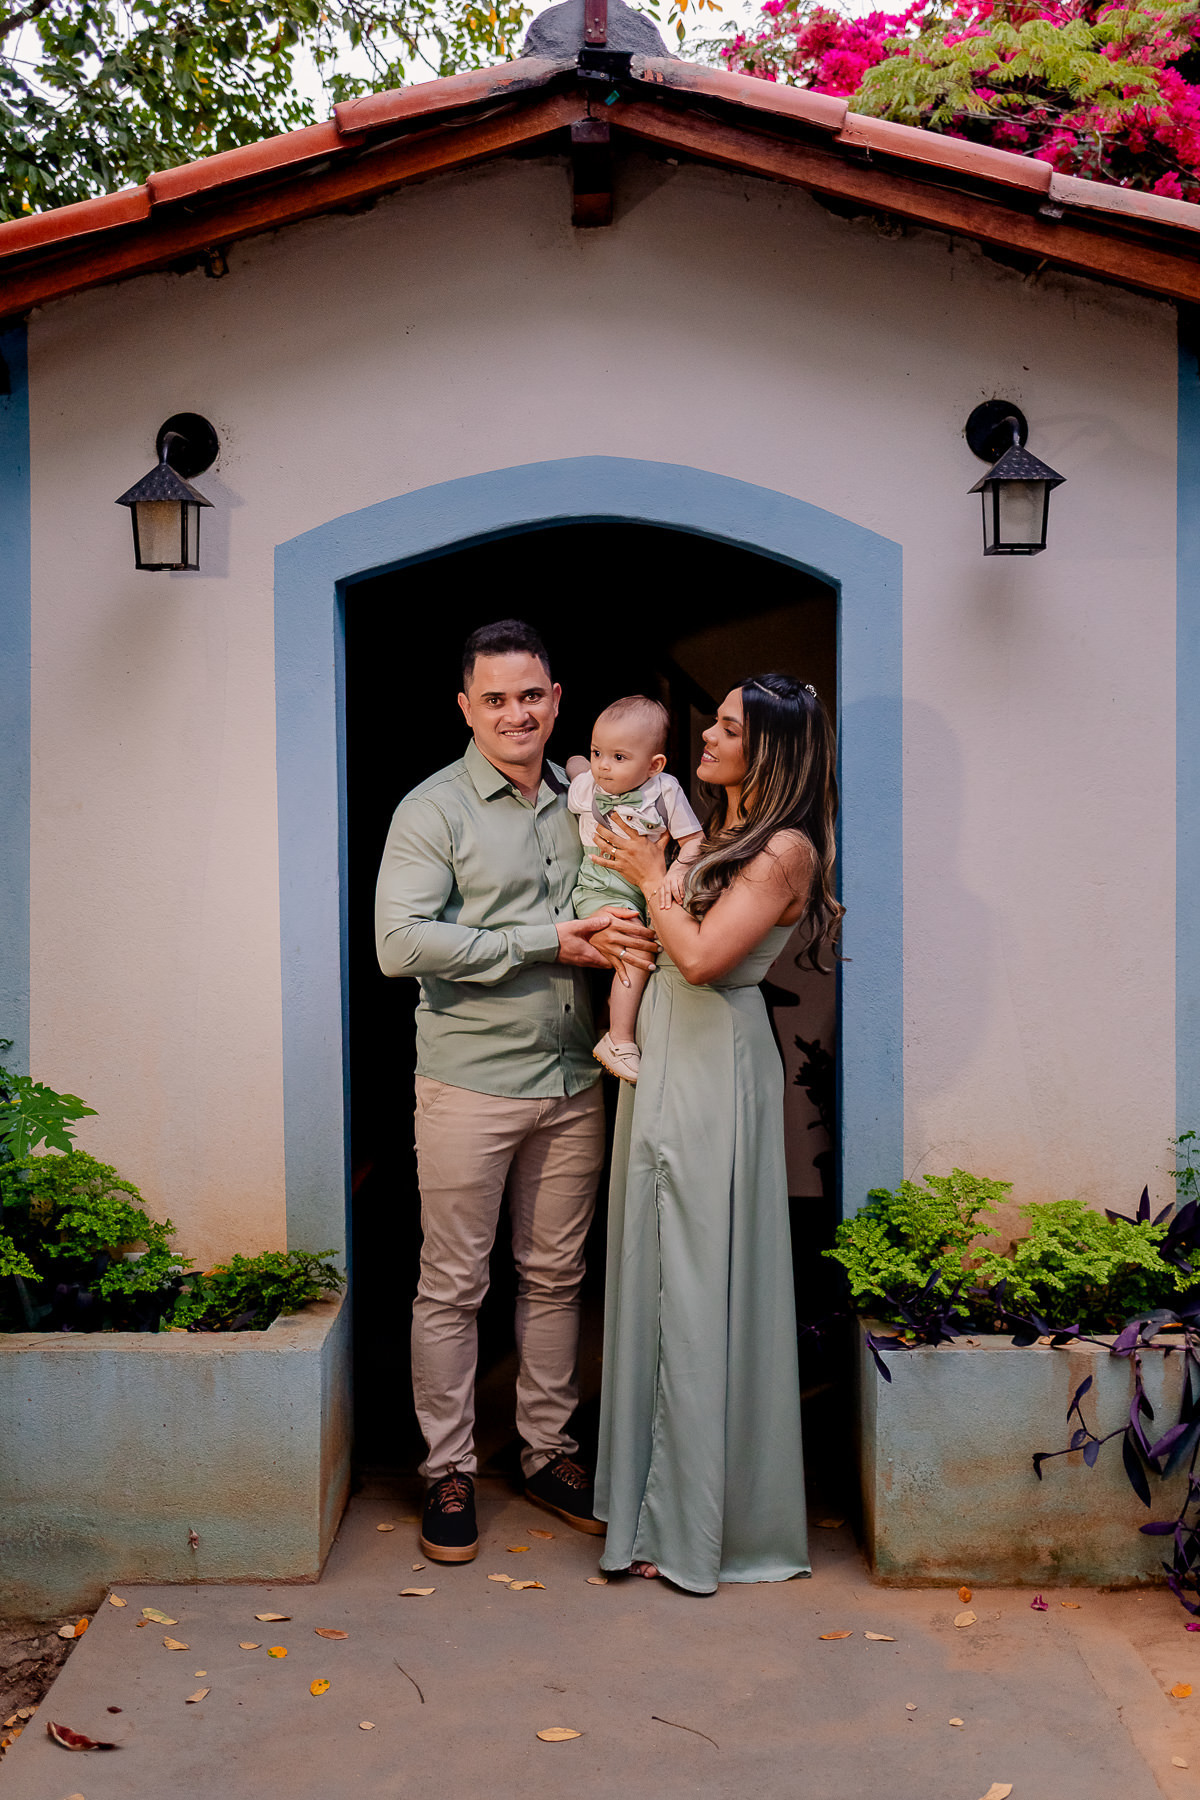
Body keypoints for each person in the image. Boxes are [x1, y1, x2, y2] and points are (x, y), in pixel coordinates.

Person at [374, 619, 658, 1565]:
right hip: (468, 1084)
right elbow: (400, 944)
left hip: (576, 1077)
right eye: (494, 698)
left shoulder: (592, 799)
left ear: (557, 699)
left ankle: (546, 1451)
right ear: (466, 708)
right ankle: (448, 1468)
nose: (515, 713)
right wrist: (547, 939)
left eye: (530, 695)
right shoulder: (433, 810)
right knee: (453, 1285)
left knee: (556, 1277)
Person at [592, 672, 844, 1594]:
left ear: (767, 749)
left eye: (729, 727)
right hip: (666, 1052)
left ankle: (699, 1524)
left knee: (698, 1274)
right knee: (659, 1263)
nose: (708, 734)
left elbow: (700, 960)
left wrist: (650, 878)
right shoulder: (724, 831)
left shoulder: (783, 850)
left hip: (712, 1061)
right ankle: (650, 1507)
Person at [565, 695, 703, 1084]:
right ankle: (619, 1038)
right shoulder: (588, 785)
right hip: (597, 884)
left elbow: (694, 840)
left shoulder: (664, 791)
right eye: (598, 752)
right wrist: (581, 761)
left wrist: (676, 872)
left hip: (645, 885)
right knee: (635, 950)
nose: (603, 766)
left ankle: (643, 1028)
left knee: (667, 942)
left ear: (654, 764)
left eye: (619, 757)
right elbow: (575, 770)